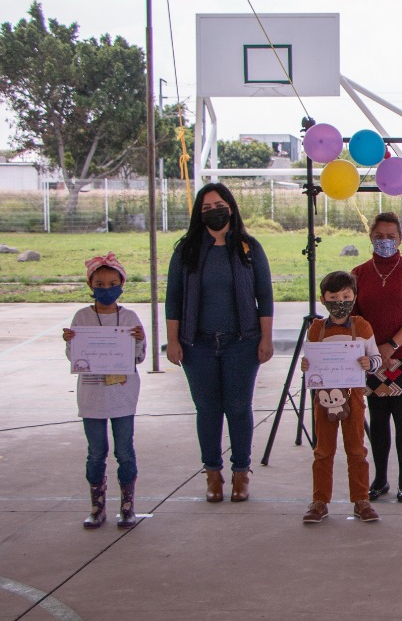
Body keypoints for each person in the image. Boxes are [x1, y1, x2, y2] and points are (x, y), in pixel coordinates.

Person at [165, 183, 274, 503]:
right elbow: (173, 299)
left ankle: (242, 472)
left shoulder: (248, 247)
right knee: (208, 409)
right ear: (199, 214)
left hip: (242, 342)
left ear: (231, 206)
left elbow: (264, 297)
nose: (214, 211)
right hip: (196, 345)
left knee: (239, 408)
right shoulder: (185, 250)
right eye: (206, 208)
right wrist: (173, 341)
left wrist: (266, 339)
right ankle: (213, 473)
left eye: (219, 205)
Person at [352, 212, 402, 503]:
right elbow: (354, 314)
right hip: (371, 358)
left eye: (391, 236)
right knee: (378, 418)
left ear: (400, 239)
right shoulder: (359, 273)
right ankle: (381, 478)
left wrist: (392, 346)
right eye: (379, 236)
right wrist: (373, 348)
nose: (385, 241)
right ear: (371, 237)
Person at [64, 253, 147, 528]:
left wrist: (139, 340)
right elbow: (74, 357)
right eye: (99, 283)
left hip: (122, 396)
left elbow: (138, 358)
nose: (106, 288)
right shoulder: (82, 317)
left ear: (122, 283)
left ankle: (127, 507)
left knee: (125, 451)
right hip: (92, 397)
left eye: (112, 282)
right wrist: (72, 343)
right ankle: (97, 507)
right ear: (90, 285)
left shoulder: (130, 317)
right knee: (95, 452)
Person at [299, 271, 383, 524]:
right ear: (323, 299)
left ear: (354, 297)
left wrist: (370, 363)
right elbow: (310, 360)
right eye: (333, 297)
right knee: (323, 450)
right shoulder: (316, 329)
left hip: (354, 396)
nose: (340, 301)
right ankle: (319, 501)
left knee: (356, 449)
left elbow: (376, 360)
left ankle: (361, 500)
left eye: (346, 296)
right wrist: (305, 365)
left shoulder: (363, 327)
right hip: (322, 397)